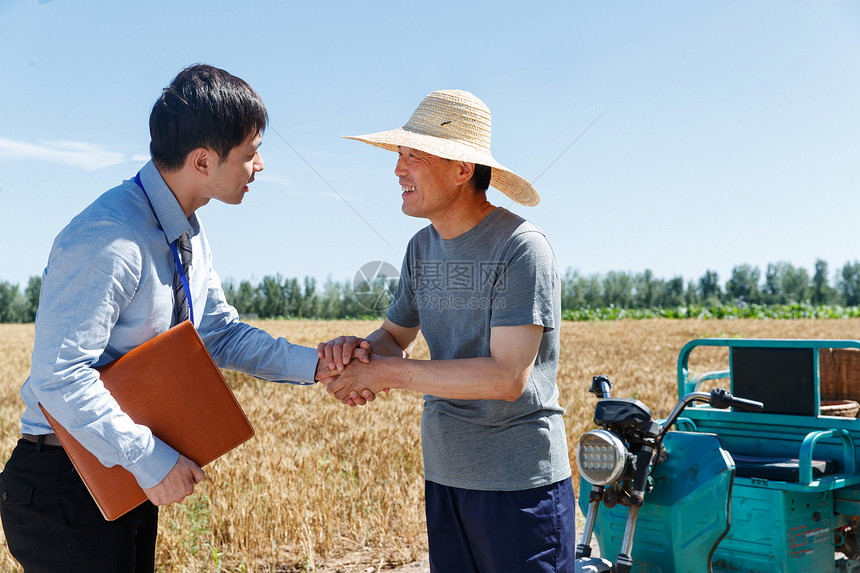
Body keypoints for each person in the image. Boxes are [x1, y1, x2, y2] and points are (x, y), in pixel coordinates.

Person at [0, 63, 334, 572]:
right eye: (250, 153)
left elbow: (218, 334)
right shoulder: (108, 237)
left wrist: (320, 365)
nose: (259, 166)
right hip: (66, 486)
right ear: (203, 160)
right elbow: (59, 378)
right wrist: (150, 459)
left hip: (116, 475)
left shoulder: (187, 234)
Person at [318, 89, 575, 572]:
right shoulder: (421, 248)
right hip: (445, 477)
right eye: (399, 155)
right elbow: (394, 336)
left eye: (414, 156)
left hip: (519, 489)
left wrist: (387, 374)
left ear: (462, 169)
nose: (398, 169)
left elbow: (506, 378)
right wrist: (354, 353)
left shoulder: (521, 248)